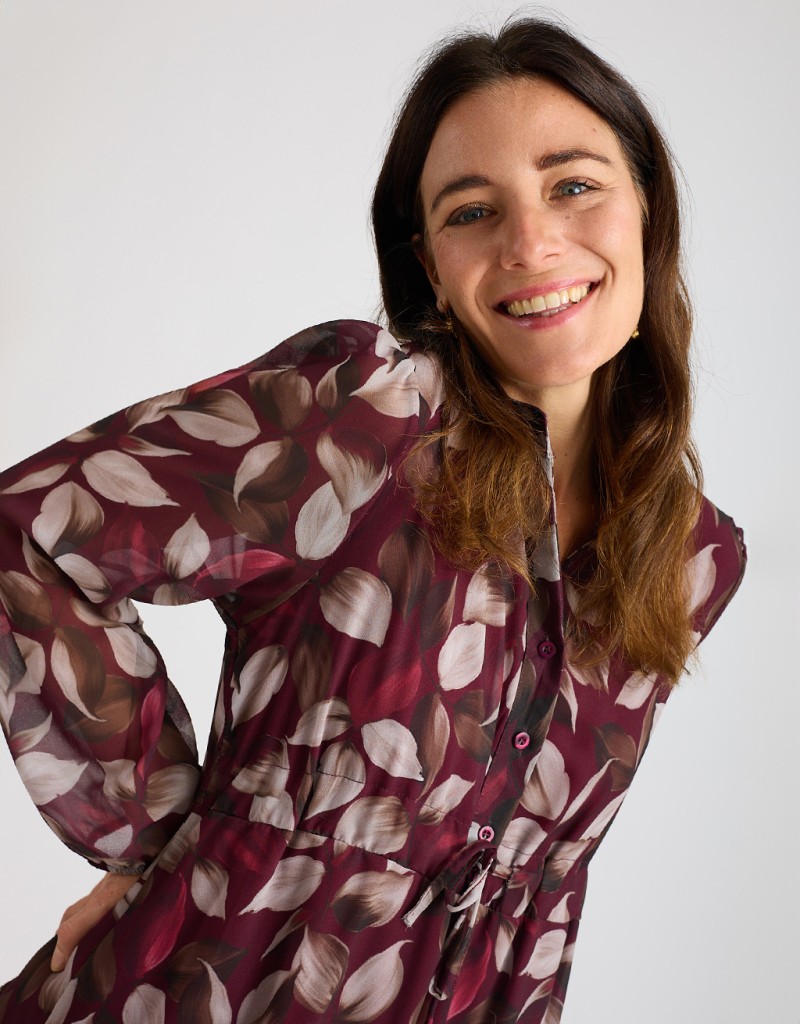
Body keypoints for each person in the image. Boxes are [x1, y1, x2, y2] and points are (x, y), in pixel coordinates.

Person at [0, 16, 745, 1024]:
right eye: (471, 210)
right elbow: (34, 528)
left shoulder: (693, 557)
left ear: (648, 211)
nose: (530, 243)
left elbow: (536, 909)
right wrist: (155, 845)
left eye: (572, 186)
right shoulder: (370, 418)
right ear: (431, 266)